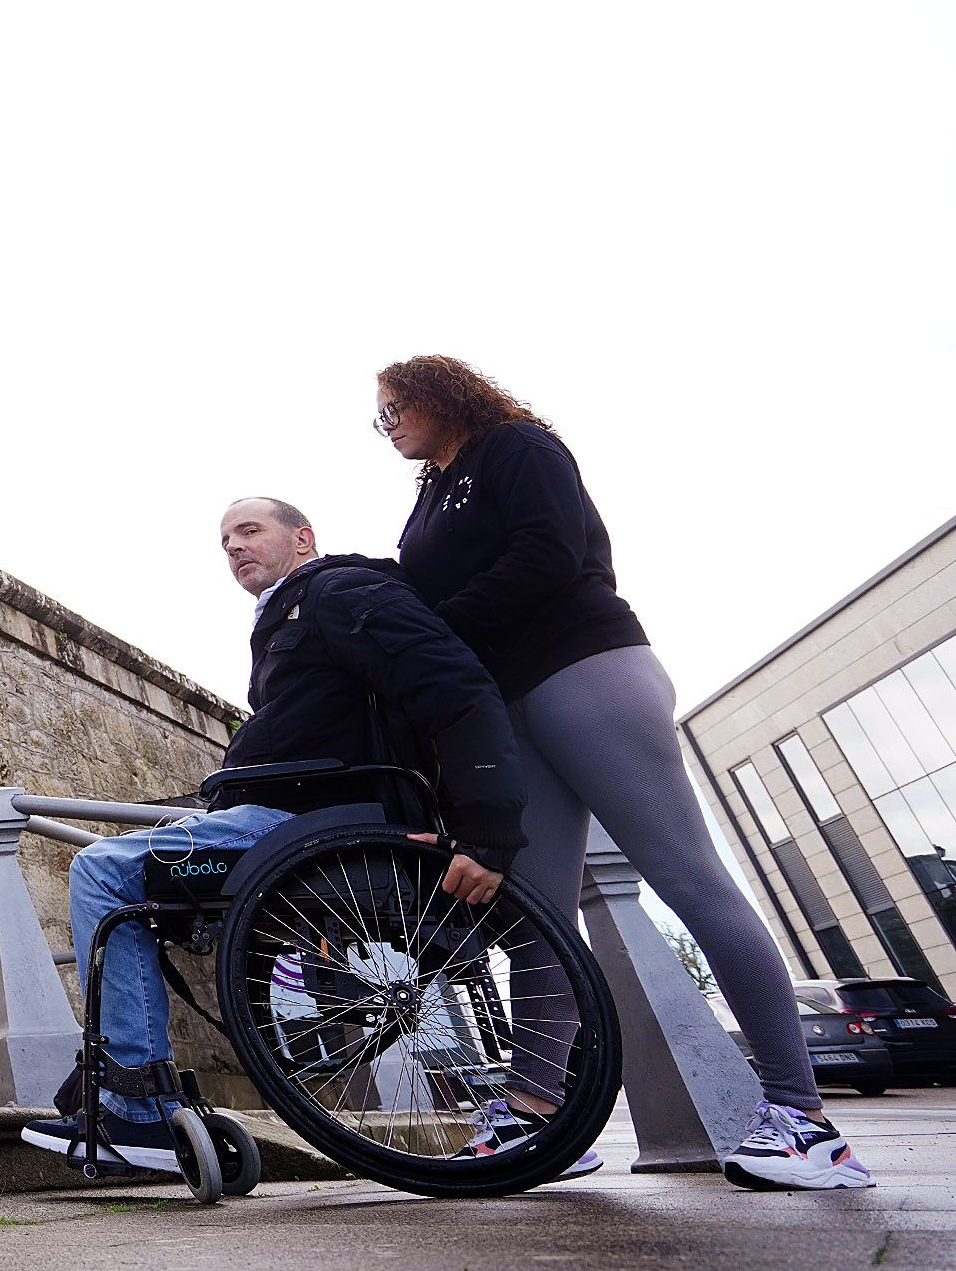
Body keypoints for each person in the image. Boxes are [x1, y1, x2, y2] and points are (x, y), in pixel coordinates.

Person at [374, 354, 874, 1191]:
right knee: (534, 907)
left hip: (585, 668)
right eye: (376, 414)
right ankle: (537, 1114)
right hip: (507, 703)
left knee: (687, 875)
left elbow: (547, 552)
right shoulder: (430, 492)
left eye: (393, 405)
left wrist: (434, 635)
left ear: (440, 392)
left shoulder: (516, 445)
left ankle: (804, 1119)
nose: (385, 423)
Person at [23, 497, 543, 1173]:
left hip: (307, 819)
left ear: (301, 537)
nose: (233, 547)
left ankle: (135, 1108)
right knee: (145, 884)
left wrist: (487, 829)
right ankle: (128, 1089)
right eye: (224, 540)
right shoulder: (296, 613)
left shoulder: (339, 590)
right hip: (290, 812)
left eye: (248, 530)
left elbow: (457, 687)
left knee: (103, 869)